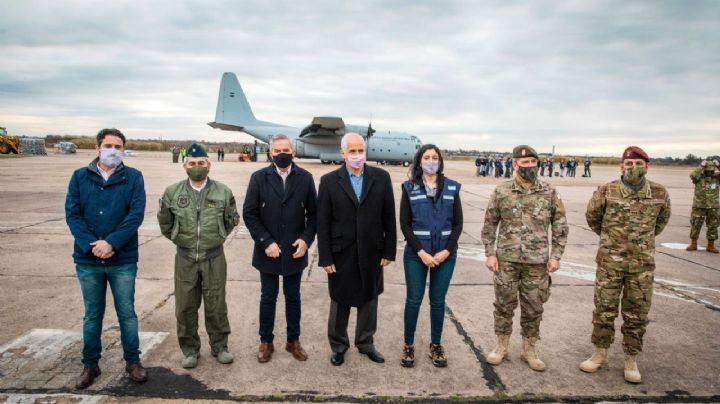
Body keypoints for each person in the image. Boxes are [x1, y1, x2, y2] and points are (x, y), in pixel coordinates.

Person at [580, 146, 671, 383]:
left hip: (641, 267)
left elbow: (660, 223)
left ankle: (631, 359)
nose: (633, 168)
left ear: (647, 167)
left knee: (637, 314)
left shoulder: (659, 193)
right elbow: (593, 218)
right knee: (604, 311)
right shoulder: (607, 191)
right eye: (629, 164)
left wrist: (640, 243)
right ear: (622, 166)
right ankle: (600, 354)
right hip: (610, 263)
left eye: (639, 164)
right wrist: (612, 240)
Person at [65, 128, 148, 389]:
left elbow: (135, 214)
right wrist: (93, 245)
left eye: (118, 146)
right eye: (109, 145)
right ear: (97, 148)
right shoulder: (79, 177)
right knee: (92, 315)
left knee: (127, 313)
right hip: (88, 260)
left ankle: (133, 362)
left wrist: (111, 242)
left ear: (123, 150)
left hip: (121, 259)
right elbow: (72, 214)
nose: (114, 150)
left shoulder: (133, 177)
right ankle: (90, 365)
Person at [481, 145, 568, 372]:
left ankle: (529, 349)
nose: (529, 166)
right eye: (524, 162)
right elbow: (490, 224)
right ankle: (501, 346)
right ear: (514, 164)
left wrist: (556, 256)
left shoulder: (549, 191)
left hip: (537, 262)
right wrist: (490, 253)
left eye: (532, 162)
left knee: (533, 307)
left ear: (537, 164)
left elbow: (560, 225)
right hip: (506, 260)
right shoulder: (502, 191)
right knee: (503, 305)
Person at [317, 132, 396, 366]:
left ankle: (366, 342)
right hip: (341, 252)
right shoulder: (329, 181)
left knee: (369, 299)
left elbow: (389, 216)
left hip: (373, 251)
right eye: (352, 151)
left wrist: (388, 250)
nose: (357, 155)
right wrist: (326, 257)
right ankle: (339, 345)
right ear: (343, 153)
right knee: (340, 300)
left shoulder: (381, 177)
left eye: (360, 150)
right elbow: (323, 223)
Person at [157, 143, 239, 369]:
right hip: (185, 258)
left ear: (208, 165)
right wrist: (179, 239)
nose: (197, 167)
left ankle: (220, 346)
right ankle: (190, 349)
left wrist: (217, 237)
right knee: (185, 306)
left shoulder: (223, 191)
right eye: (192, 164)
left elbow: (230, 221)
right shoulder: (173, 192)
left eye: (201, 163)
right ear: (185, 167)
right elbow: (165, 223)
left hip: (214, 257)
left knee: (216, 305)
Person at [243, 134, 318, 363]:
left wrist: (306, 240)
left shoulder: (305, 178)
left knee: (293, 296)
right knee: (268, 296)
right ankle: (266, 341)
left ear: (293, 152)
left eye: (286, 149)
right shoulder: (258, 178)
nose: (282, 154)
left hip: (295, 251)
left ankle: (293, 341)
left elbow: (314, 215)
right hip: (269, 251)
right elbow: (250, 214)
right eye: (277, 150)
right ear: (271, 153)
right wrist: (266, 242)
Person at [399, 145, 463, 368]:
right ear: (419, 161)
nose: (431, 161)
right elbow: (405, 225)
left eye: (435, 157)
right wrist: (422, 252)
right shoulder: (409, 188)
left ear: (440, 161)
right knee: (414, 300)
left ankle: (436, 345)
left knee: (437, 302)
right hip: (417, 255)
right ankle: (408, 345)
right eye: (426, 157)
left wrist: (446, 251)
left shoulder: (453, 188)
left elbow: (458, 224)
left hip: (446, 255)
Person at [686, 159, 720, 253]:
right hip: (699, 205)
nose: (709, 172)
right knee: (696, 225)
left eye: (711, 170)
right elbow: (692, 175)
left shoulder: (717, 177)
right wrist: (701, 166)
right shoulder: (699, 177)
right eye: (707, 170)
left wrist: (719, 166)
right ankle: (693, 243)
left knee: (713, 226)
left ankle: (711, 245)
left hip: (713, 206)